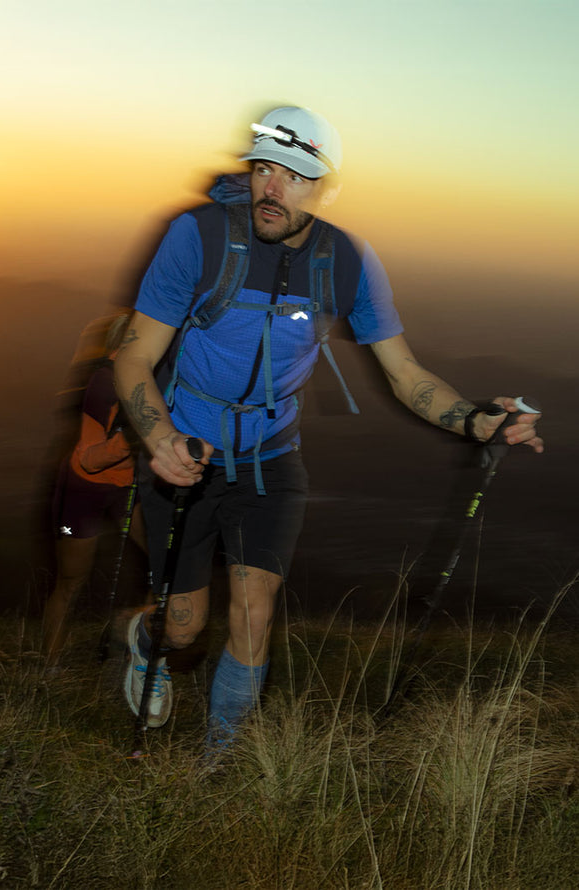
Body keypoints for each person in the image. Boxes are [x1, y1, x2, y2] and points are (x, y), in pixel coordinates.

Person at [113, 106, 543, 748]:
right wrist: (161, 439)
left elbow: (404, 372)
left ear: (328, 190)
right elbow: (133, 356)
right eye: (264, 168)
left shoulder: (347, 262)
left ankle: (221, 768)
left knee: (254, 615)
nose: (272, 188)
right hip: (188, 451)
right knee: (184, 626)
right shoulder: (198, 237)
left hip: (270, 460)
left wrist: (476, 422)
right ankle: (148, 644)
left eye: (295, 176)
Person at [42, 311, 148, 671]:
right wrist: (130, 441)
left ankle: (138, 640)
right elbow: (89, 459)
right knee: (72, 581)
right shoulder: (104, 381)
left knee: (164, 563)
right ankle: (50, 668)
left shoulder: (148, 375)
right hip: (83, 490)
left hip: (126, 486)